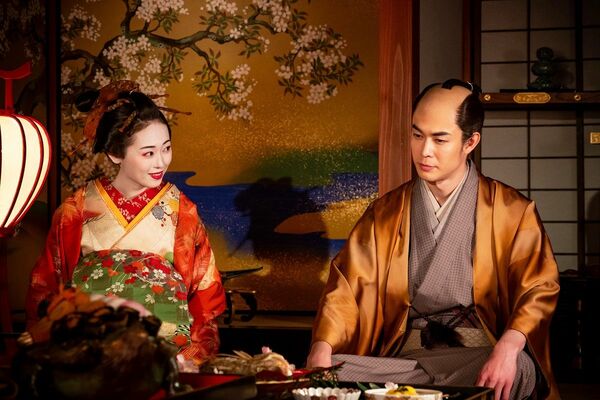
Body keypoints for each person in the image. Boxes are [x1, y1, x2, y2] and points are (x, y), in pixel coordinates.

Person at [306, 79, 560, 400]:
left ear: (470, 142)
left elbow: (539, 286)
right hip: (406, 359)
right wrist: (322, 347)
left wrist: (509, 346)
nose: (424, 151)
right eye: (417, 135)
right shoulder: (385, 213)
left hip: (479, 355)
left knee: (518, 368)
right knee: (332, 370)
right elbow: (346, 289)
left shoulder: (512, 211)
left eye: (440, 139)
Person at [26, 80, 226, 362]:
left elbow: (203, 293)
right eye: (148, 153)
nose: (161, 162)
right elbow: (48, 285)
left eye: (166, 148)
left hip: (165, 354)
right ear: (115, 153)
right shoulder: (76, 210)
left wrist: (189, 357)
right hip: (90, 351)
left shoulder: (182, 211)